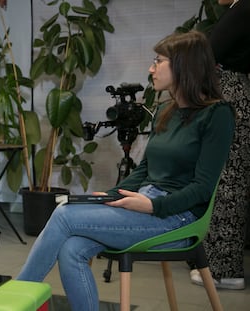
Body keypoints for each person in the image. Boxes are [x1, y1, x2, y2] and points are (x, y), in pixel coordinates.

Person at [16, 30, 236, 311]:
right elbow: (144, 171)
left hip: (177, 218)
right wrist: (108, 195)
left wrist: (153, 206)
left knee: (64, 214)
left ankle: (15, 300)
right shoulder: (167, 109)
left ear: (183, 64)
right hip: (147, 204)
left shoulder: (217, 115)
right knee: (72, 249)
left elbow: (203, 188)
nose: (151, 68)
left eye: (158, 61)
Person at [189, 0, 250, 290]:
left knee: (226, 184)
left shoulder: (243, 8)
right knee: (229, 182)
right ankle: (225, 267)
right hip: (237, 96)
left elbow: (207, 54)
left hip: (230, 98)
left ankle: (223, 271)